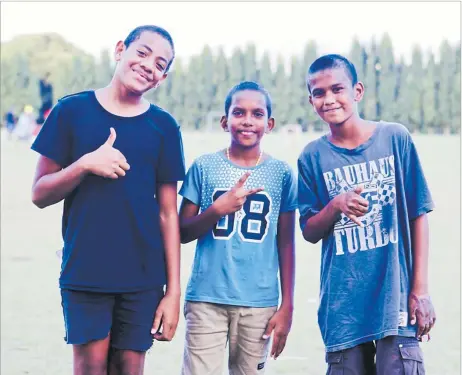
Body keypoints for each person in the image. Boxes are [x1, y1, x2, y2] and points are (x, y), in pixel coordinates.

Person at [30, 25, 185, 375]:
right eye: (142, 52)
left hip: (143, 277)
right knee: (91, 368)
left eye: (160, 63)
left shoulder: (164, 126)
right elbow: (39, 193)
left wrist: (173, 292)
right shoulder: (71, 111)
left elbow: (167, 214)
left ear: (161, 78)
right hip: (86, 272)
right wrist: (84, 164)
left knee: (129, 369)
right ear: (120, 50)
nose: (149, 65)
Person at [297, 54, 436, 374]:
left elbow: (418, 214)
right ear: (310, 100)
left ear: (357, 91)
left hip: (395, 303)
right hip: (343, 308)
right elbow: (309, 230)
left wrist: (420, 290)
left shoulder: (394, 138)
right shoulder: (312, 157)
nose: (329, 99)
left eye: (337, 89)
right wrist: (335, 205)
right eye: (319, 93)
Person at [179, 81, 297, 375]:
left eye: (257, 114)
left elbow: (286, 242)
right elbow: (181, 231)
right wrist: (217, 209)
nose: (247, 121)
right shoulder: (204, 167)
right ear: (224, 121)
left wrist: (288, 305)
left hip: (259, 302)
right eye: (238, 112)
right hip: (207, 297)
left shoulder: (281, 173)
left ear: (269, 124)